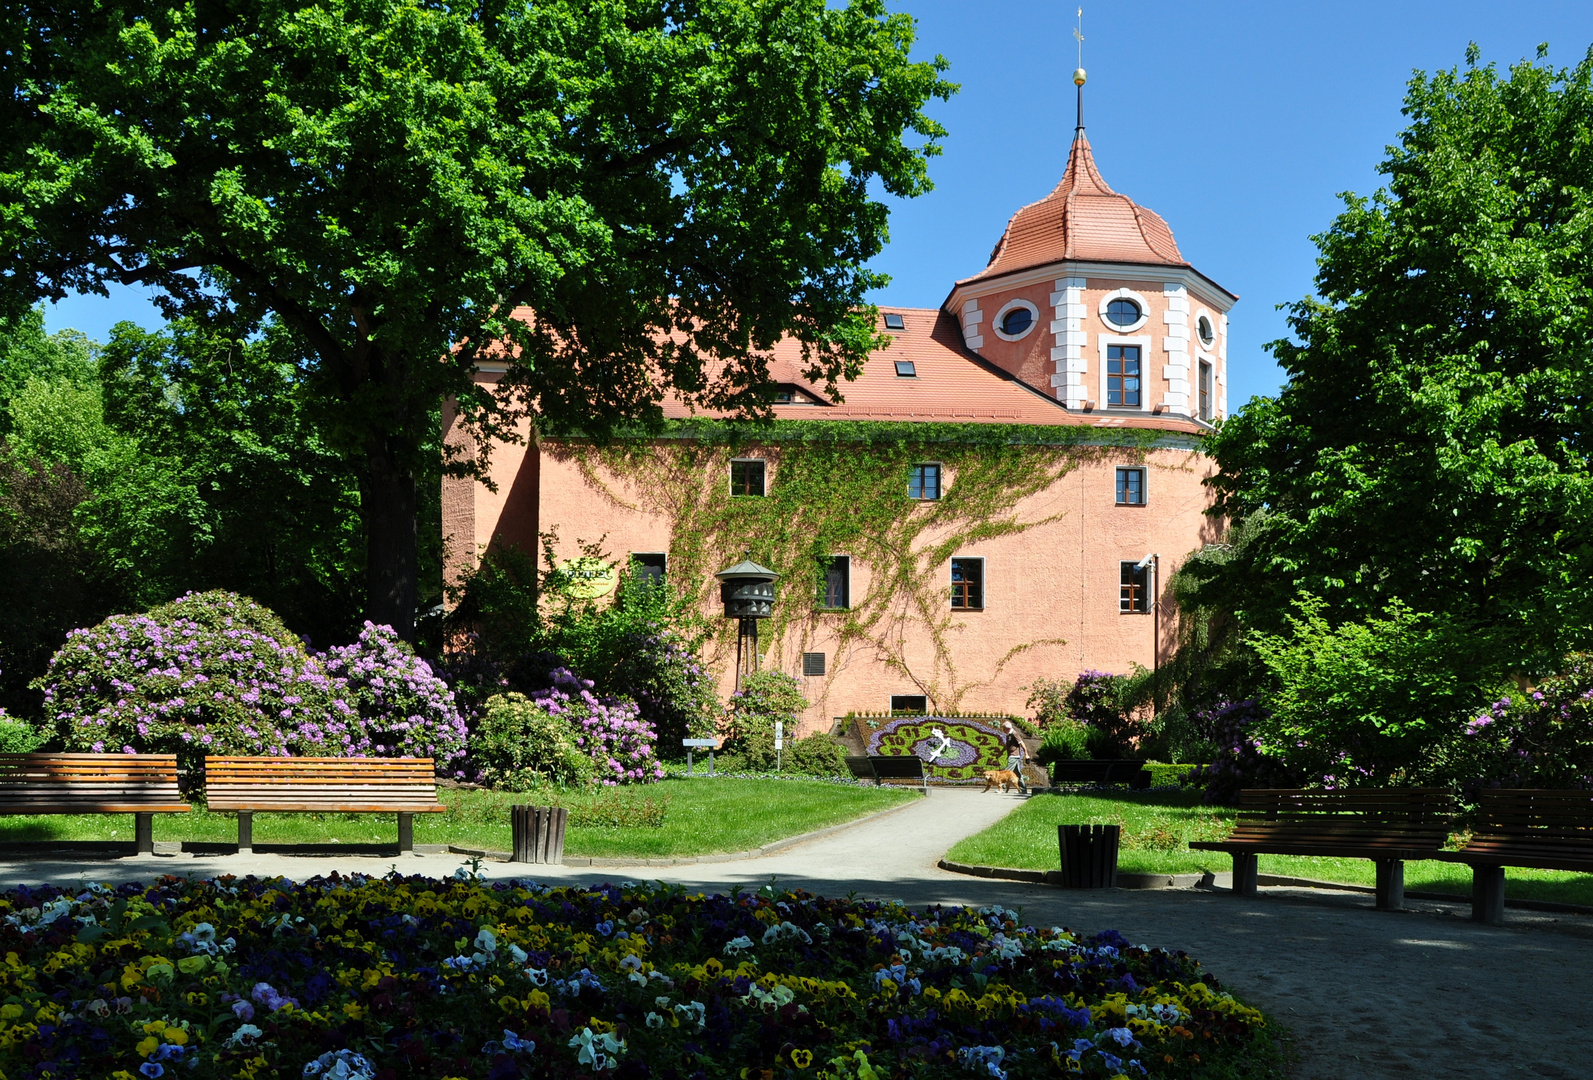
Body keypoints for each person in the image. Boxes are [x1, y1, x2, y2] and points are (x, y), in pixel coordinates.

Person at [1001, 721, 1029, 795]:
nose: (1002, 730)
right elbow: (1007, 746)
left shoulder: (1014, 733)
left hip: (1014, 756)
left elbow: (1021, 743)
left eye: (1003, 728)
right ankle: (1023, 790)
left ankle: (1001, 787)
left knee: (1007, 772)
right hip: (1011, 755)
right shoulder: (1008, 735)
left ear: (1007, 728)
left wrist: (1026, 754)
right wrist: (1000, 753)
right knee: (1017, 774)